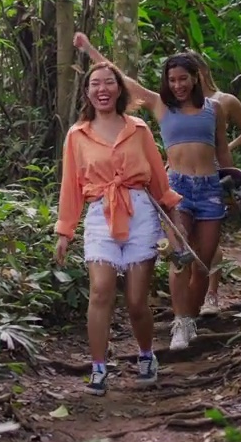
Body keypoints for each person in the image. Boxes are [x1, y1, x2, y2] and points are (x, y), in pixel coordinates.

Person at [72, 33, 232, 352]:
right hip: (177, 188)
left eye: (183, 79)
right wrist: (89, 49)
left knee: (203, 262)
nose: (177, 85)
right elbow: (121, 79)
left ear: (195, 79)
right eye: (171, 80)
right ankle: (180, 324)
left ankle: (191, 314)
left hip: (211, 188)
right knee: (179, 257)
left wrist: (234, 183)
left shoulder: (214, 109)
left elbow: (223, 151)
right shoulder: (160, 106)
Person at [54, 61, 183, 396]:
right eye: (95, 84)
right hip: (100, 215)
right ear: (87, 92)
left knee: (137, 300)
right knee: (100, 291)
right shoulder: (77, 134)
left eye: (109, 83)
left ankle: (145, 355)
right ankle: (98, 367)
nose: (102, 90)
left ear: (119, 88)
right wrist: (65, 231)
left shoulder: (138, 128)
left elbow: (158, 180)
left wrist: (174, 227)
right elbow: (70, 185)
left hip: (140, 214)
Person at [197, 63, 241, 315]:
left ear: (202, 70)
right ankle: (191, 296)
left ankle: (211, 295)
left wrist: (225, 150)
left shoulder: (224, 100)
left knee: (210, 235)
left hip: (214, 170)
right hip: (183, 172)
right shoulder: (181, 103)